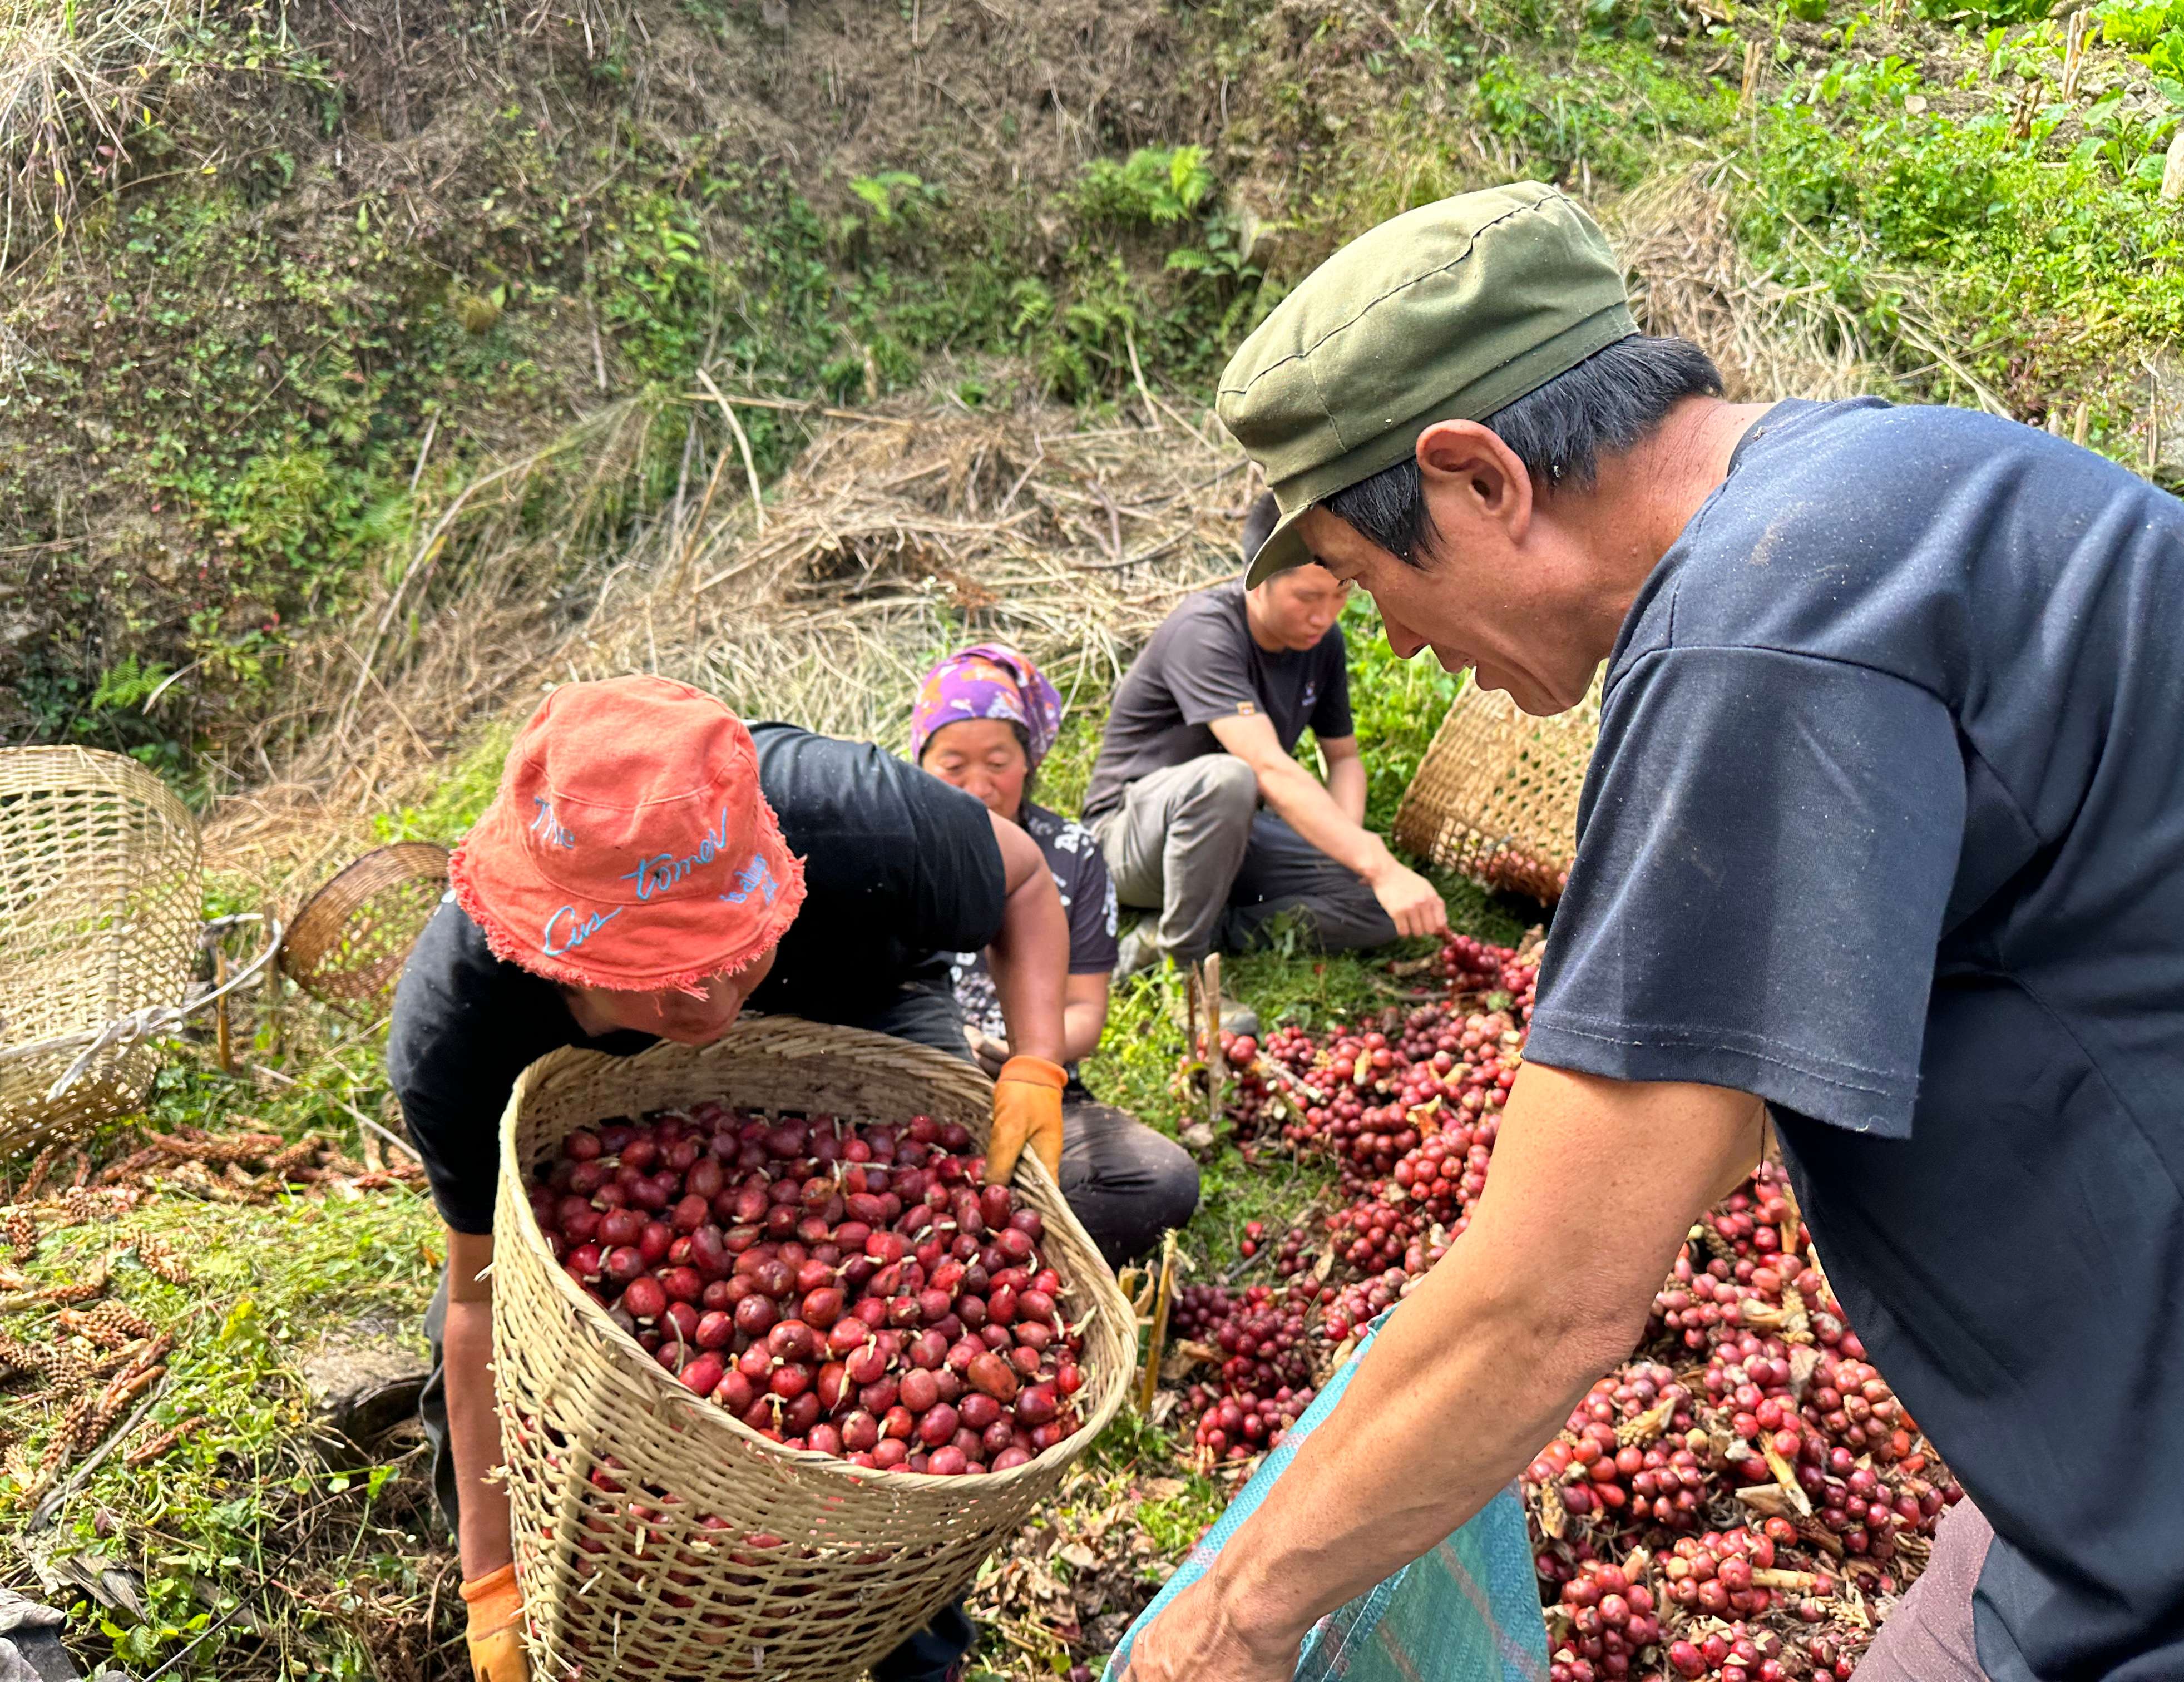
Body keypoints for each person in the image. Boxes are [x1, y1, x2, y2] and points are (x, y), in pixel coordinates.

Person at [1119, 184, 2184, 1682]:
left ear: (1477, 479)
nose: (1388, 638)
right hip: (2123, 1445)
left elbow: (1553, 1299)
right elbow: (1694, 1122)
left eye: (1378, 578)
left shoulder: (1768, 637)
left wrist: (1233, 1618)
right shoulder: (1898, 484)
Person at [388, 674, 1075, 1682]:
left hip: (862, 1004)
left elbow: (1022, 883)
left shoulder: (844, 818)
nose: (711, 1000)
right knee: (524, 1377)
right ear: (556, 953)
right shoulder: (459, 1030)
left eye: (733, 948)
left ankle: (906, 1637)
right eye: (660, 970)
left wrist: (1034, 1062)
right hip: (612, 1124)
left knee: (912, 1474)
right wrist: (491, 1573)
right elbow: (475, 1301)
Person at [910, 642, 1201, 1263]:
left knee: (1161, 1179)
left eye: (999, 761)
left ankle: (988, 1253)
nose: (978, 787)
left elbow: (1084, 1017)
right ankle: (981, 1231)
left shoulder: (1070, 853)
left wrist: (1016, 1054)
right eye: (952, 765)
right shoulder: (899, 846)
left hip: (1036, 1085)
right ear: (919, 765)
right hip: (910, 1088)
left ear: (1030, 761)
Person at [1081, 506, 1449, 979]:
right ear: (1258, 583)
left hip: (1233, 836)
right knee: (1231, 778)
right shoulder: (1205, 632)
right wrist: (1374, 860)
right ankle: (1184, 963)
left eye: (1339, 595)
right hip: (1133, 837)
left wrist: (1347, 854)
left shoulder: (1323, 644)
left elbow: (1344, 758)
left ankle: (1215, 927)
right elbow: (1266, 766)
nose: (1324, 616)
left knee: (1383, 910)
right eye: (1306, 598)